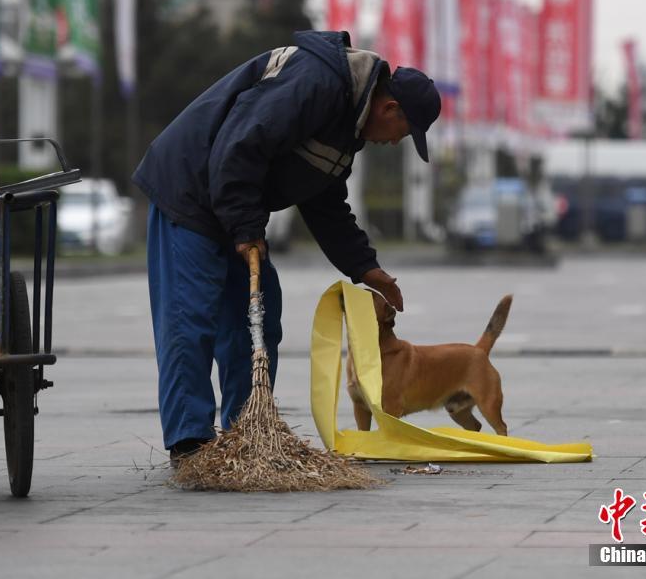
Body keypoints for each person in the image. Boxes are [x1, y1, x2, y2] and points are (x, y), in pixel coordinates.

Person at [132, 30, 440, 463]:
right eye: (403, 132)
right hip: (190, 191)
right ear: (389, 107)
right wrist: (245, 227)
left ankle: (245, 433)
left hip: (234, 203)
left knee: (257, 317)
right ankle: (191, 442)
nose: (393, 142)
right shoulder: (316, 82)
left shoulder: (346, 123)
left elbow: (326, 202)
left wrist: (365, 268)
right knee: (191, 317)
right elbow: (241, 143)